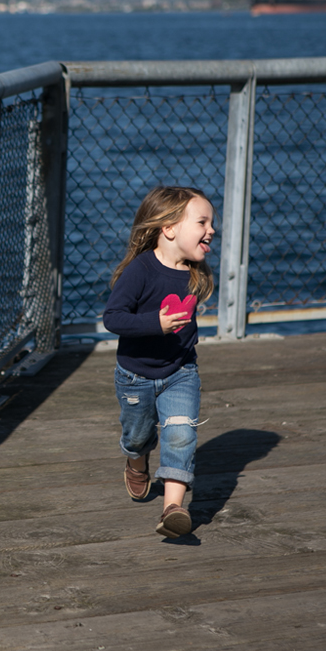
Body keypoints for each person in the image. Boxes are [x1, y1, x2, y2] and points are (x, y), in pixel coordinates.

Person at [102, 186, 215, 538]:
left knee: (181, 433)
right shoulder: (141, 270)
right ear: (168, 229)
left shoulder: (196, 273)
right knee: (138, 436)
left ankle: (173, 508)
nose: (211, 230)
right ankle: (136, 461)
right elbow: (113, 318)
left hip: (181, 372)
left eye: (211, 223)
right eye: (202, 222)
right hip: (135, 376)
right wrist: (157, 324)